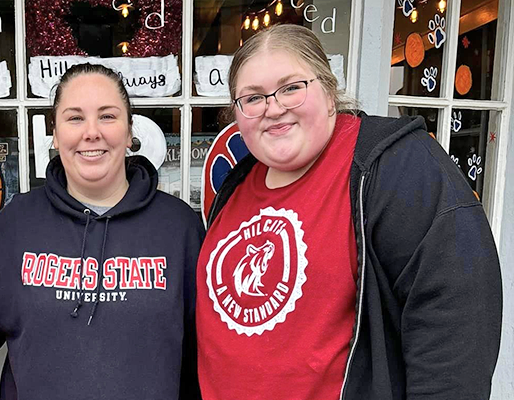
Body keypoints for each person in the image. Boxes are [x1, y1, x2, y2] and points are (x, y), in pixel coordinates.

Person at [197, 24, 501, 400]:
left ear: (328, 92)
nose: (273, 108)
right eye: (253, 98)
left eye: (291, 88)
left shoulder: (395, 166)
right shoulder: (236, 186)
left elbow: (456, 327)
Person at [0, 63, 204, 400]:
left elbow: (209, 358)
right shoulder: (15, 225)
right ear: (55, 132)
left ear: (129, 129)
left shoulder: (180, 228)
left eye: (107, 116)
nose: (91, 132)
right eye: (75, 118)